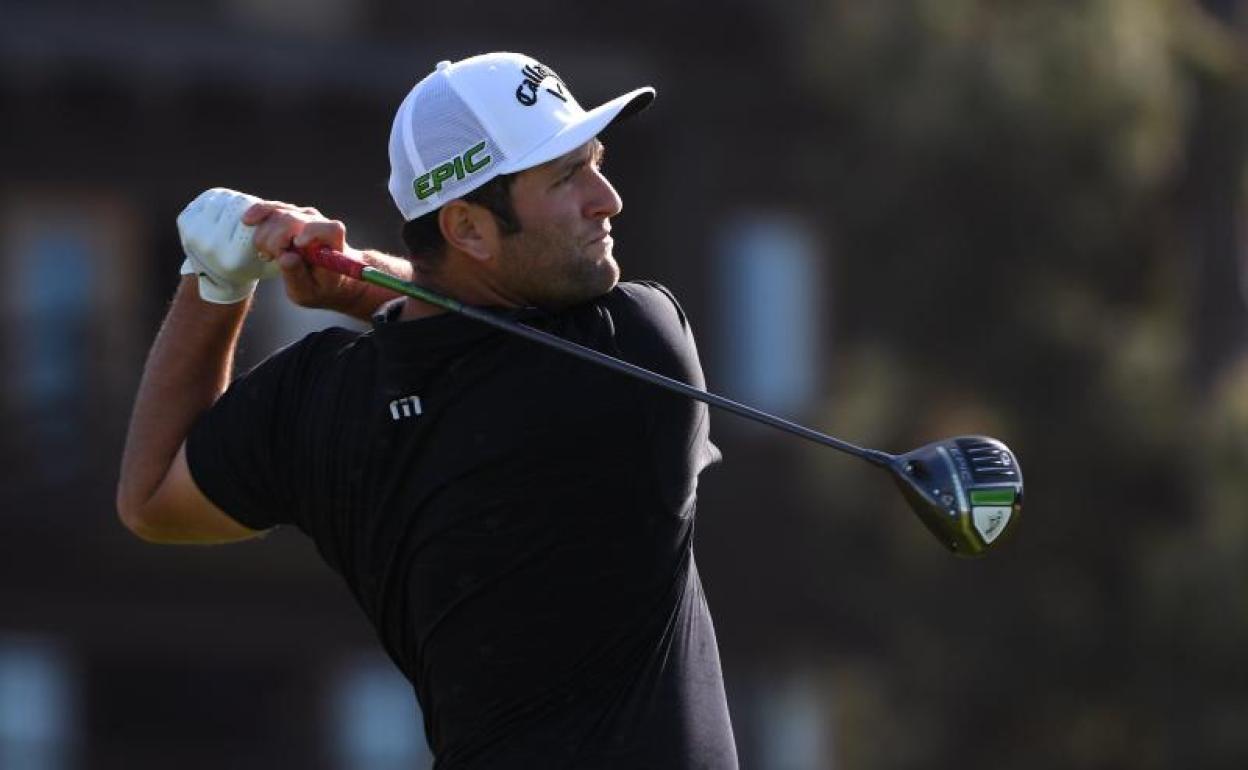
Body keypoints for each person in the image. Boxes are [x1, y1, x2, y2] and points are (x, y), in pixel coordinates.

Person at [117, 52, 738, 769]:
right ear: (467, 228)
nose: (607, 199)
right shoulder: (634, 347)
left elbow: (151, 499)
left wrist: (214, 281)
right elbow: (493, 339)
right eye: (567, 176)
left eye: (594, 163)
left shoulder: (323, 403)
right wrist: (355, 283)